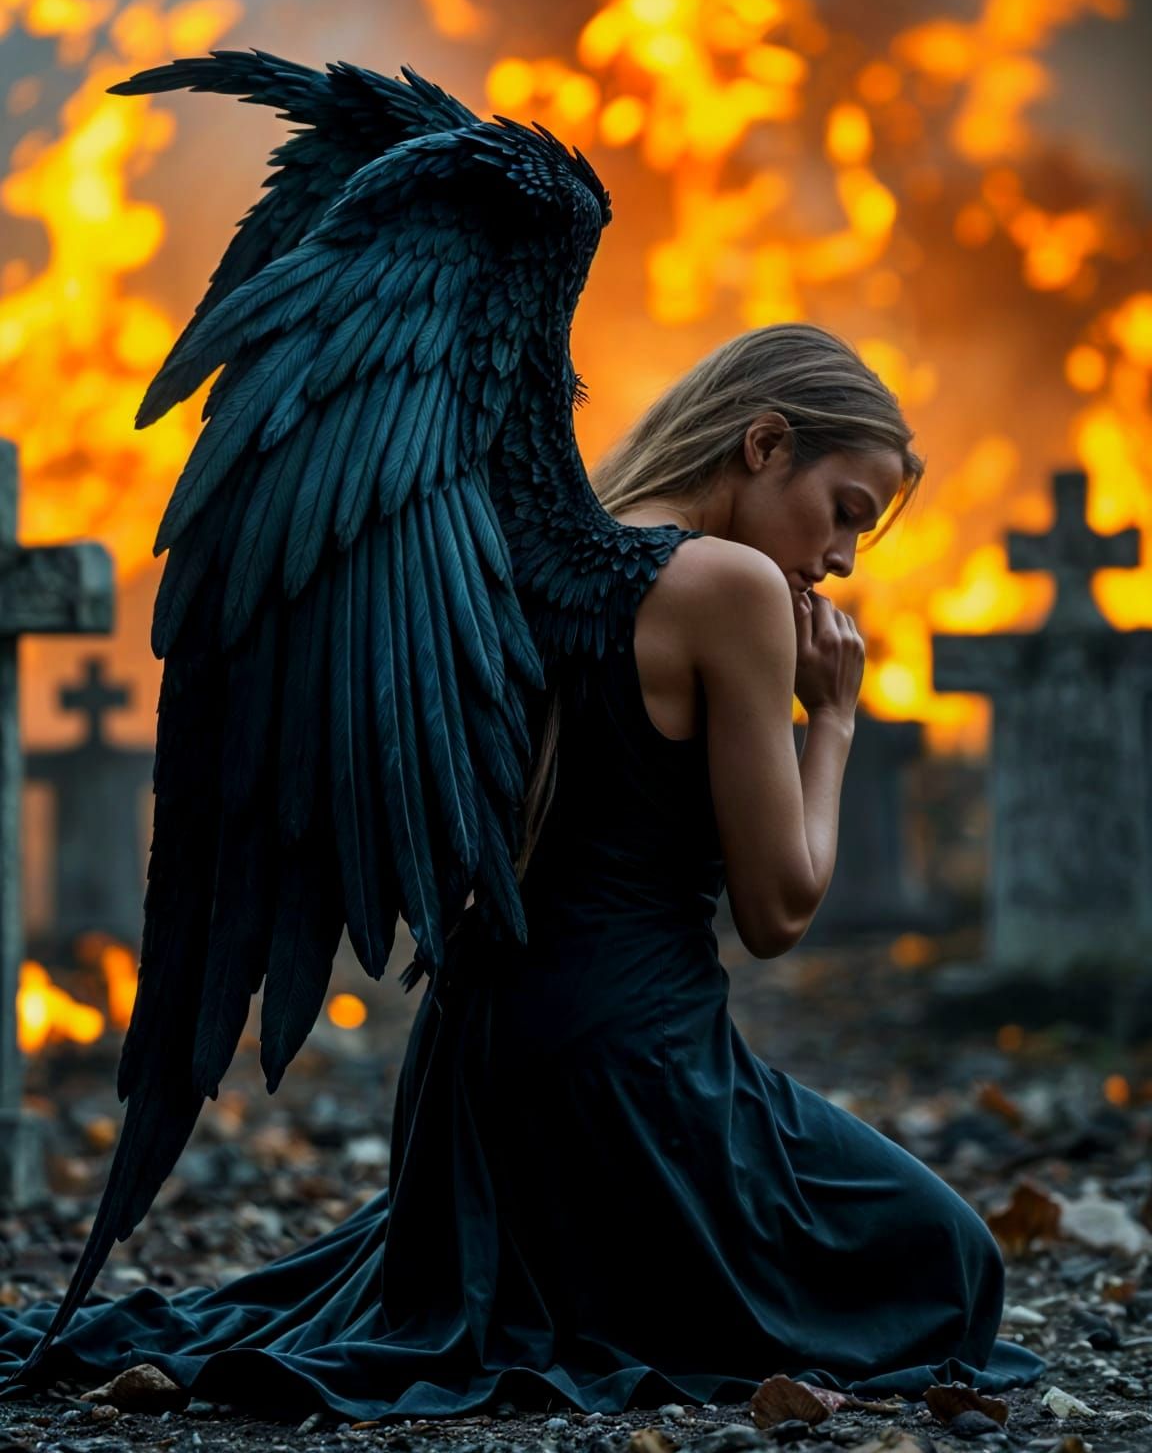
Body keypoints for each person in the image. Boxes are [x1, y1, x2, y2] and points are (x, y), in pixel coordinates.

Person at [0, 321, 1048, 1420]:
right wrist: (830, 718)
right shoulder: (729, 588)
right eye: (845, 511)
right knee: (952, 1266)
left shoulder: (511, 559)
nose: (840, 560)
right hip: (633, 1077)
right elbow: (780, 906)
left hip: (472, 1081)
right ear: (764, 441)